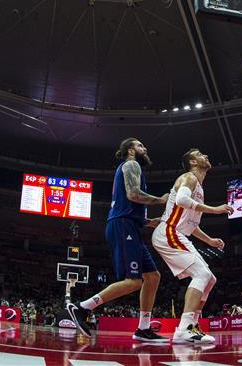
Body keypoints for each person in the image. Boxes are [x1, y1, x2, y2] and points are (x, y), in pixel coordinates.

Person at [67, 138, 169, 342]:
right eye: (141, 145)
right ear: (131, 149)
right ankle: (82, 307)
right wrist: (161, 199)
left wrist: (150, 222)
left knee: (153, 276)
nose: (145, 147)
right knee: (133, 281)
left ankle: (143, 328)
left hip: (129, 224)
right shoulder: (132, 164)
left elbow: (129, 203)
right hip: (123, 226)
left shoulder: (131, 168)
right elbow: (133, 195)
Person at [151, 148, 233, 344]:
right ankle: (184, 328)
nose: (206, 155)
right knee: (202, 275)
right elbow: (181, 200)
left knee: (210, 279)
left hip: (177, 233)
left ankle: (193, 326)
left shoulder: (199, 188)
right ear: (193, 162)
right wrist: (214, 210)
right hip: (169, 231)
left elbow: (191, 226)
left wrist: (210, 241)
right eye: (200, 154)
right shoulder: (189, 177)